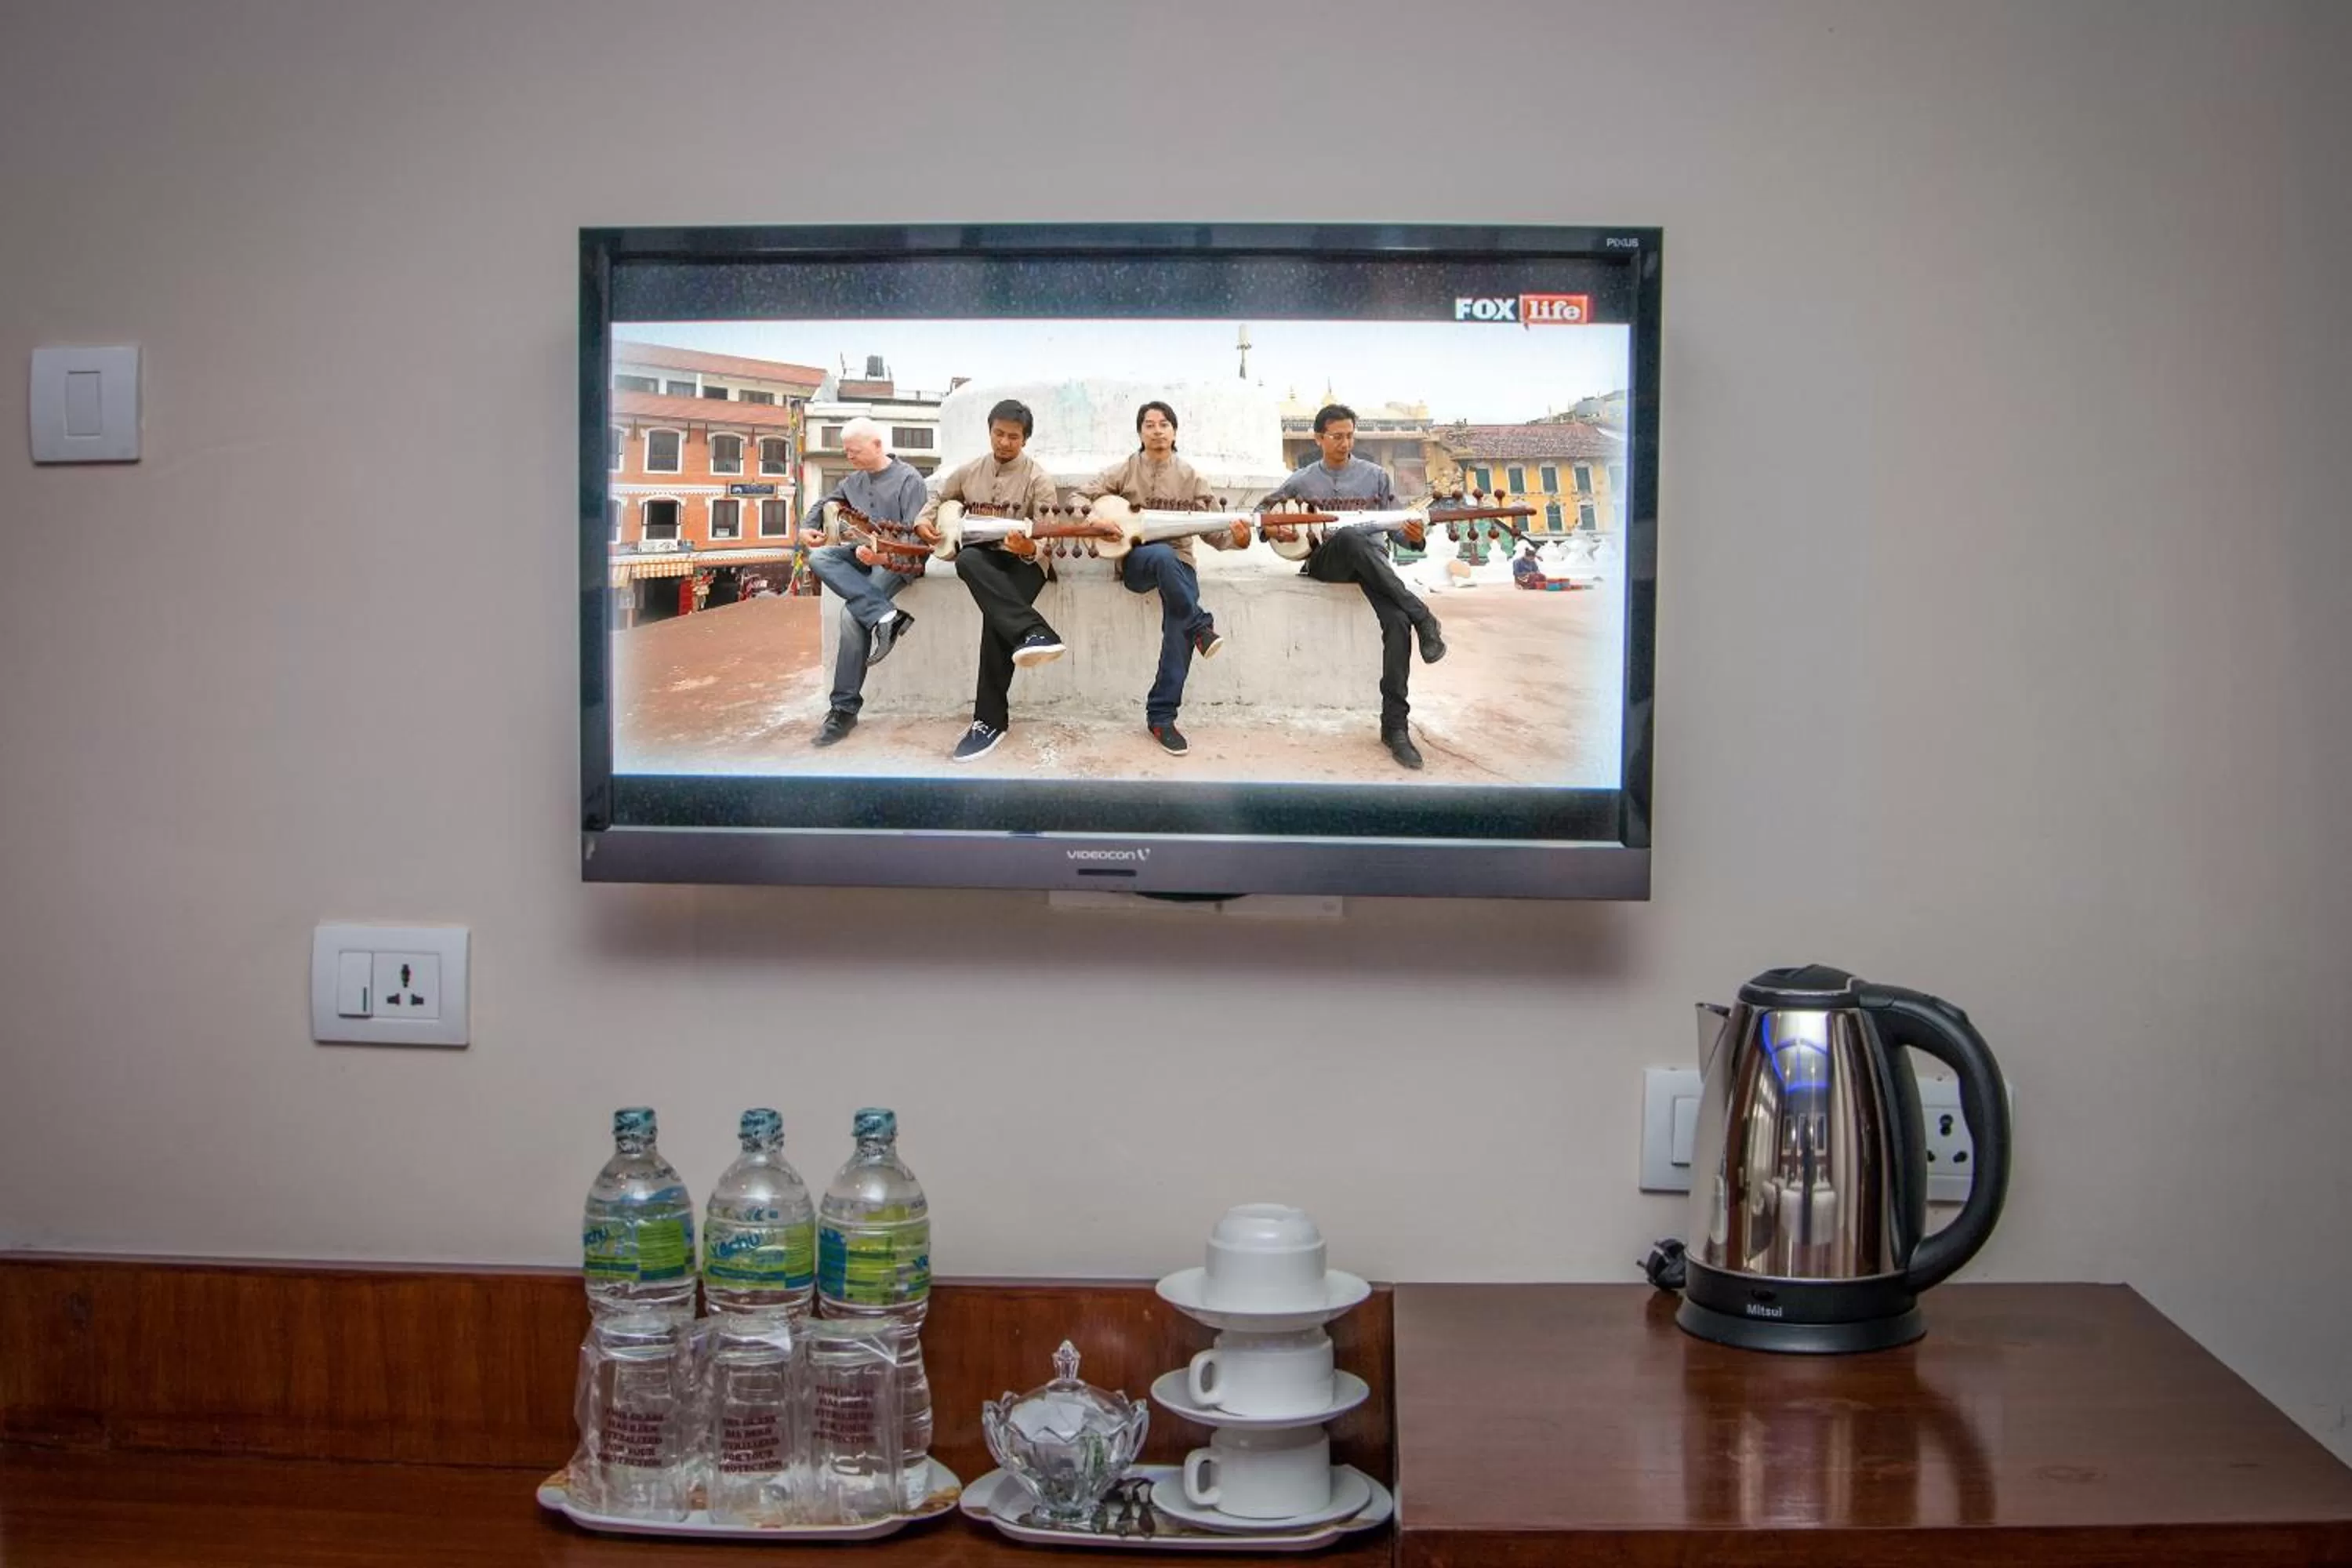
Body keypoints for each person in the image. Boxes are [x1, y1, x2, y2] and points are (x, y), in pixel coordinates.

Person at [1261, 404, 1446, 770]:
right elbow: (1262, 515)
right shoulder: (1301, 481)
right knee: (1348, 535)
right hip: (1328, 561)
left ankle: (1395, 726)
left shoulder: (1376, 477)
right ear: (1319, 438)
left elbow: (1398, 528)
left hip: (1373, 566)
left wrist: (1414, 535)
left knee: (1397, 623)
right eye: (1336, 436)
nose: (1345, 443)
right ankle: (1424, 616)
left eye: (1349, 436)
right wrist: (1274, 529)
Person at [1068, 401, 1247, 756]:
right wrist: (1094, 520)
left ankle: (1161, 718)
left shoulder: (1192, 478)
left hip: (1180, 564)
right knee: (1163, 557)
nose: (1157, 431)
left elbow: (1216, 532)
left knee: (1178, 623)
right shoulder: (1124, 470)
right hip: (1137, 561)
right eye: (1149, 425)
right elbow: (1078, 497)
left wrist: (1239, 539)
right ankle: (1201, 625)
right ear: (1140, 433)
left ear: (1175, 432)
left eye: (1164, 424)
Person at [918, 398, 1064, 762]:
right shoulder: (969, 471)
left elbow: (1049, 537)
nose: (1004, 442)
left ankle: (988, 721)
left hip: (1025, 563)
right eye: (998, 434)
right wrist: (924, 520)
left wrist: (1029, 546)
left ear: (1025, 439)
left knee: (997, 620)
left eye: (1013, 437)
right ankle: (1035, 632)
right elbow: (939, 496)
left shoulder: (1039, 479)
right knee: (968, 559)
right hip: (984, 560)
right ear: (989, 432)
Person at [797, 416, 934, 748]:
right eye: (846, 451)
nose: (849, 457)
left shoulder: (910, 480)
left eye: (854, 451)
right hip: (862, 556)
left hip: (898, 562)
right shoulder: (852, 482)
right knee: (820, 558)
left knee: (851, 615)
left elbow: (917, 545)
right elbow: (825, 503)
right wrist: (807, 526)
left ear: (877, 445)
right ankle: (886, 616)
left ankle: (843, 710)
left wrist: (882, 558)